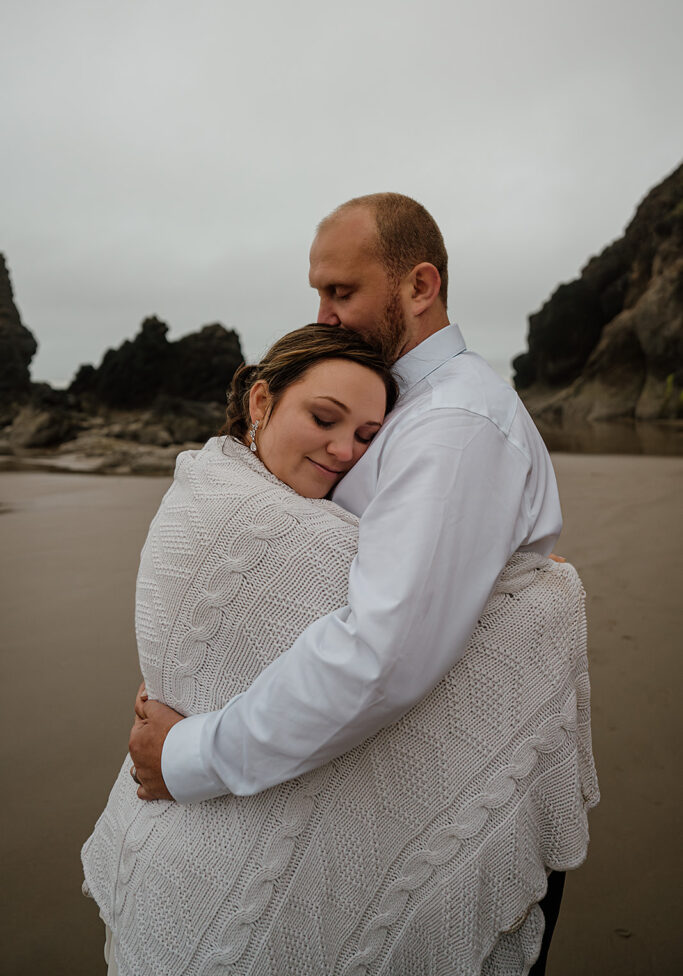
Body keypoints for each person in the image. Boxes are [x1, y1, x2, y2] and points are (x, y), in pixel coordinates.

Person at [83, 323, 597, 976]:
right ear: (261, 402)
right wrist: (529, 587)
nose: (342, 450)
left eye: (366, 438)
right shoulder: (227, 510)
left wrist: (485, 558)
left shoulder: (290, 509)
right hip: (188, 814)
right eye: (324, 417)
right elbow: (385, 642)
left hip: (186, 801)